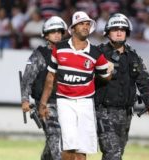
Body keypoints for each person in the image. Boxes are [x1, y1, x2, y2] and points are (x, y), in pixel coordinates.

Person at [39, 11, 113, 160]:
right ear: (73, 28)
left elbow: (106, 77)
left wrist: (108, 70)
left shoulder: (95, 53)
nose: (85, 27)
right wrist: (43, 102)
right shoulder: (59, 48)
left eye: (87, 24)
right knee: (69, 145)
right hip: (65, 101)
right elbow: (50, 77)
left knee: (82, 148)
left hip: (86, 102)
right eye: (81, 24)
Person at [95, 13, 149, 160]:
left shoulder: (133, 56)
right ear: (108, 32)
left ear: (127, 33)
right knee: (113, 154)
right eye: (115, 29)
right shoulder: (98, 53)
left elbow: (144, 81)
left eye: (122, 29)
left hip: (126, 113)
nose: (119, 32)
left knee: (116, 154)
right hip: (103, 112)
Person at [21, 16, 67, 160]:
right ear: (46, 35)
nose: (57, 34)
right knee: (55, 137)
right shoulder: (39, 55)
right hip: (45, 105)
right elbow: (27, 79)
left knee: (60, 139)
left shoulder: (68, 53)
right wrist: (25, 100)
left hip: (66, 103)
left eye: (59, 31)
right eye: (53, 32)